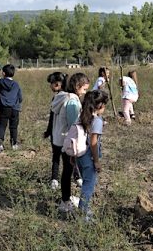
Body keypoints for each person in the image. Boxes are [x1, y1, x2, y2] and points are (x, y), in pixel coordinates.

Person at [52, 72, 89, 212]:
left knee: (67, 171)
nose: (84, 92)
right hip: (67, 141)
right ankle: (65, 201)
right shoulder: (72, 100)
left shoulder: (62, 96)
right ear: (77, 86)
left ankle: (65, 199)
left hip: (59, 139)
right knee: (68, 171)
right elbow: (74, 124)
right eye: (84, 89)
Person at [75, 89, 109, 222]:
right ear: (99, 105)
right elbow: (93, 142)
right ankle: (83, 214)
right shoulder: (97, 121)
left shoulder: (82, 115)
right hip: (89, 157)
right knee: (88, 186)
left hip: (79, 155)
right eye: (104, 105)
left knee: (85, 183)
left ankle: (84, 210)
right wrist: (96, 161)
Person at [0, 64, 23, 152]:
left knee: (1, 126)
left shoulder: (1, 81)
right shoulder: (16, 84)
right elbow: (20, 98)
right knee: (13, 127)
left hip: (4, 108)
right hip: (15, 109)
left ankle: (0, 145)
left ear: (3, 73)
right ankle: (14, 144)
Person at [43, 72, 67, 190]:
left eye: (51, 84)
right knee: (70, 158)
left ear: (57, 84)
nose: (50, 86)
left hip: (55, 133)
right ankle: (78, 178)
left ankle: (54, 179)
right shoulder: (72, 96)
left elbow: (52, 117)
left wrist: (48, 131)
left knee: (56, 157)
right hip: (67, 133)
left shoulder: (56, 98)